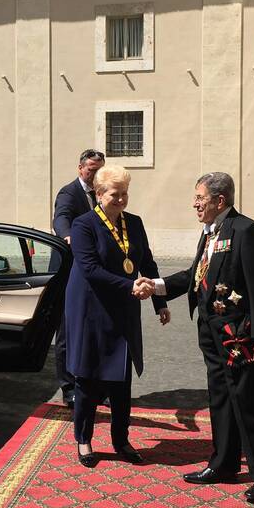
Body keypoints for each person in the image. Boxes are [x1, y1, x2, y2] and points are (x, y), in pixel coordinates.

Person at [139, 172, 254, 504]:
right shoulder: (210, 234)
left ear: (220, 200)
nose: (194, 204)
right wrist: (156, 286)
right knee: (221, 400)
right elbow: (195, 275)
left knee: (247, 404)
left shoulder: (248, 232)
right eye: (195, 197)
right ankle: (224, 464)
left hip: (239, 338)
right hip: (211, 334)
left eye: (200, 198)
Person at [65, 164, 169, 468]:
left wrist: (159, 302)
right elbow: (90, 270)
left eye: (125, 194)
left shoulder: (134, 223)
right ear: (99, 194)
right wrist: (130, 285)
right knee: (88, 378)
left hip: (124, 306)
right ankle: (83, 439)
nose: (121, 199)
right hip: (90, 309)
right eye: (115, 194)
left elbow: (146, 263)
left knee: (121, 379)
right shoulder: (83, 225)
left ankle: (121, 440)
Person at [52, 149, 106, 406]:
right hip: (71, 268)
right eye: (91, 170)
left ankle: (100, 386)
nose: (95, 175)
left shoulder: (103, 193)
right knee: (67, 330)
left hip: (98, 271)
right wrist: (68, 236)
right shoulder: (69, 192)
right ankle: (68, 387)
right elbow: (61, 218)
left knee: (98, 328)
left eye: (99, 170)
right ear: (80, 168)